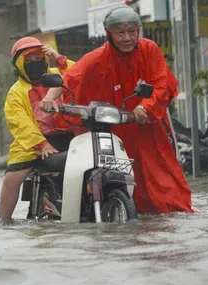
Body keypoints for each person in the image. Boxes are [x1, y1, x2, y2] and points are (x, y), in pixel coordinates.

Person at [40, 5, 194, 214]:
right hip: (112, 130)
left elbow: (163, 83)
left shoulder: (150, 49)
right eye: (120, 33)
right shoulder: (98, 57)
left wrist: (145, 107)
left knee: (166, 182)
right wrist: (49, 98)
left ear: (138, 32)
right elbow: (70, 77)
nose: (127, 38)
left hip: (147, 126)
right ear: (109, 34)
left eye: (132, 31)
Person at [0, 37, 75, 222]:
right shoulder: (16, 93)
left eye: (38, 56)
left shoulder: (59, 74)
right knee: (12, 178)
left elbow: (82, 73)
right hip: (33, 142)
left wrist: (60, 59)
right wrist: (42, 145)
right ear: (19, 63)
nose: (35, 61)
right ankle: (4, 220)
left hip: (70, 133)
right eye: (29, 58)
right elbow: (21, 125)